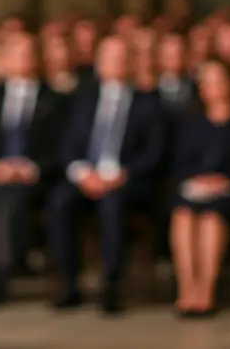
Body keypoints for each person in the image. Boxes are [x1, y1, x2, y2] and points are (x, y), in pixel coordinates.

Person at [47, 35, 163, 315]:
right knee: (59, 202)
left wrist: (123, 175)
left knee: (112, 205)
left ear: (133, 63)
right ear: (98, 64)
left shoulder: (148, 102)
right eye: (109, 58)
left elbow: (154, 153)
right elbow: (68, 144)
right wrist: (82, 172)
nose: (116, 64)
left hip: (127, 181)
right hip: (86, 176)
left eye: (122, 58)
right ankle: (68, 283)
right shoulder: (83, 99)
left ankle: (112, 283)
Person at [0, 33, 65, 304]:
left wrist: (32, 168)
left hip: (37, 176)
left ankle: (11, 263)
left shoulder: (55, 100)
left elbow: (60, 145)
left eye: (28, 53)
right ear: (4, 60)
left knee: (14, 199)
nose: (23, 59)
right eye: (16, 54)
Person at [168, 60, 230, 317]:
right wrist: (196, 181)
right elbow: (179, 162)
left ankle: (206, 292)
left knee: (211, 217)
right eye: (207, 81)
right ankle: (187, 289)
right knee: (183, 215)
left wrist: (225, 181)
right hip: (194, 190)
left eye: (219, 79)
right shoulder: (191, 121)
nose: (213, 86)